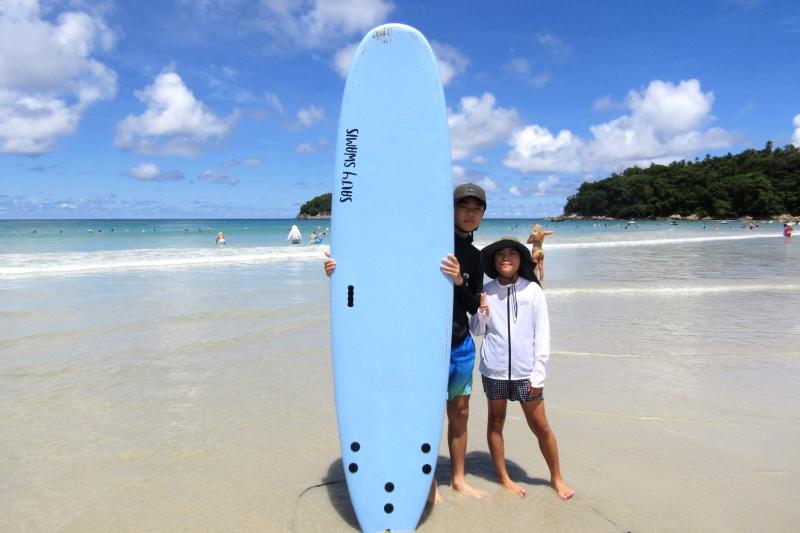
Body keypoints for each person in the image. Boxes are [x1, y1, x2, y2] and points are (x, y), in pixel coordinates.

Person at [324, 182, 489, 500]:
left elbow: (472, 305)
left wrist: (457, 280)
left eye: (477, 209)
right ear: (451, 209)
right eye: (464, 207)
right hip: (424, 347)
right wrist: (338, 270)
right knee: (423, 413)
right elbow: (382, 271)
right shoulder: (427, 243)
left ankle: (457, 478)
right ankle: (427, 482)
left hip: (459, 344)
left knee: (461, 412)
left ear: (482, 215)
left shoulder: (475, 257)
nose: (470, 214)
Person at [470, 236, 573, 500]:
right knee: (495, 423)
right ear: (494, 261)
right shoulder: (487, 291)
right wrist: (480, 313)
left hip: (527, 372)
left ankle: (556, 478)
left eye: (512, 254)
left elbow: (543, 334)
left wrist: (539, 372)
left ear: (520, 260)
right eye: (500, 254)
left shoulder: (533, 290)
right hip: (493, 370)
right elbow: (478, 331)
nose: (506, 258)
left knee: (540, 426)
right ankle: (504, 477)